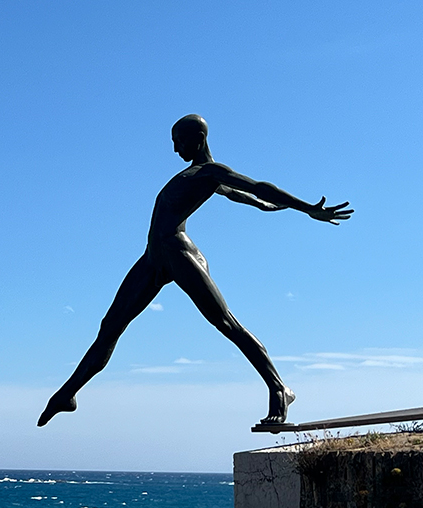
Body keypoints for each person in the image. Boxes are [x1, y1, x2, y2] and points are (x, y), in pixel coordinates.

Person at [37, 114, 352, 428]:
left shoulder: (211, 171)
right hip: (153, 258)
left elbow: (259, 187)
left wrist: (306, 208)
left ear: (199, 139)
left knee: (226, 323)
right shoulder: (199, 175)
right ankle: (67, 394)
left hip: (178, 253)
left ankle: (279, 388)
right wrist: (259, 205)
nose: (176, 149)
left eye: (179, 142)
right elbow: (233, 193)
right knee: (110, 326)